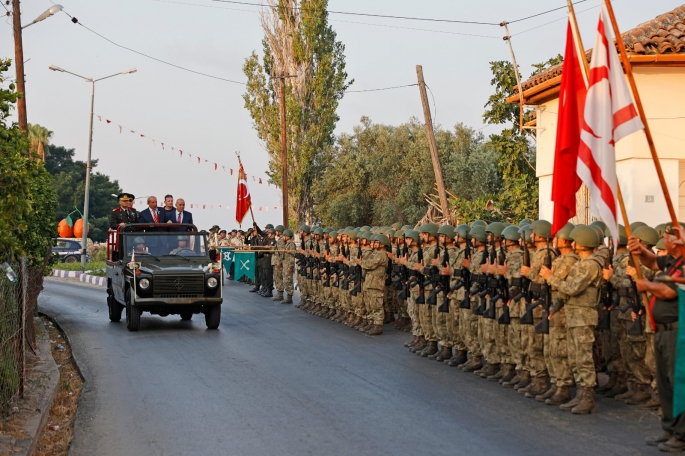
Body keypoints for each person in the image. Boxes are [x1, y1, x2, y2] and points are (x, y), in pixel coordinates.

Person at [629, 225, 685, 451]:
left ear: (680, 241)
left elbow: (670, 292)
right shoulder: (672, 262)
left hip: (678, 333)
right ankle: (669, 428)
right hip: (662, 331)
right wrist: (640, 250)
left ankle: (681, 435)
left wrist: (647, 285)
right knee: (664, 384)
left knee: (678, 383)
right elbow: (652, 262)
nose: (664, 238)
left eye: (669, 236)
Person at [540, 225, 603, 415]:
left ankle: (587, 397)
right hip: (573, 315)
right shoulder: (580, 264)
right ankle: (580, 396)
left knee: (583, 358)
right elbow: (565, 292)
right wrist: (554, 307)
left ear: (584, 243)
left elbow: (572, 288)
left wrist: (551, 278)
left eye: (576, 240)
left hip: (583, 317)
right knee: (574, 357)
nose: (572, 242)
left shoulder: (590, 265)